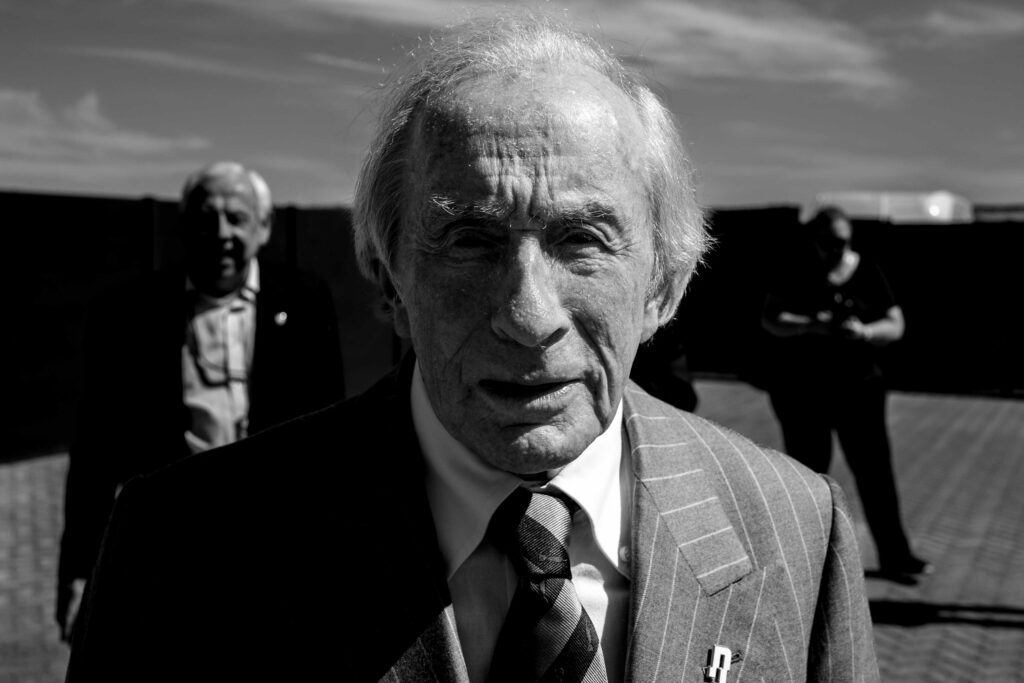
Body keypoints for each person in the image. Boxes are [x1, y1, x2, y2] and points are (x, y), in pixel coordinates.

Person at [67, 15, 879, 683]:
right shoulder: (178, 546)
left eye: (583, 239)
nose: (528, 316)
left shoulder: (798, 527)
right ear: (387, 280)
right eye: (469, 239)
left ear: (664, 286)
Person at [56, 161, 344, 643]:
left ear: (264, 227)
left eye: (236, 218)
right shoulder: (128, 313)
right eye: (206, 218)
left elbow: (332, 436)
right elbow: (94, 453)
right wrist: (78, 570)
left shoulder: (306, 300)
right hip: (167, 545)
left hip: (274, 541)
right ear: (184, 226)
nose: (221, 233)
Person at [761, 205, 930, 582]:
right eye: (830, 242)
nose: (837, 250)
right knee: (807, 478)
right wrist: (812, 326)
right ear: (815, 239)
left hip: (859, 390)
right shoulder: (797, 269)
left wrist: (864, 332)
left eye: (843, 242)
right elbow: (771, 319)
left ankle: (895, 555)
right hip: (805, 391)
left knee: (875, 474)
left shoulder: (867, 269)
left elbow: (896, 324)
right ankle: (808, 559)